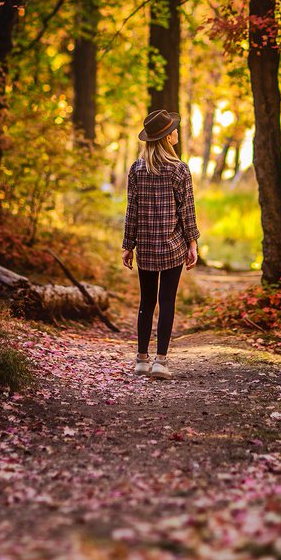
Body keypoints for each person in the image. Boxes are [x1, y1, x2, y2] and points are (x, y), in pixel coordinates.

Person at [121, 109, 200, 379]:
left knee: (146, 301)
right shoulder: (179, 170)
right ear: (167, 138)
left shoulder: (136, 169)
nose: (177, 132)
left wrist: (128, 244)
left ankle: (141, 359)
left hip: (146, 247)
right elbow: (187, 211)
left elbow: (132, 209)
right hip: (172, 247)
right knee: (167, 302)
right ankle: (160, 361)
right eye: (173, 129)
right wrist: (193, 244)